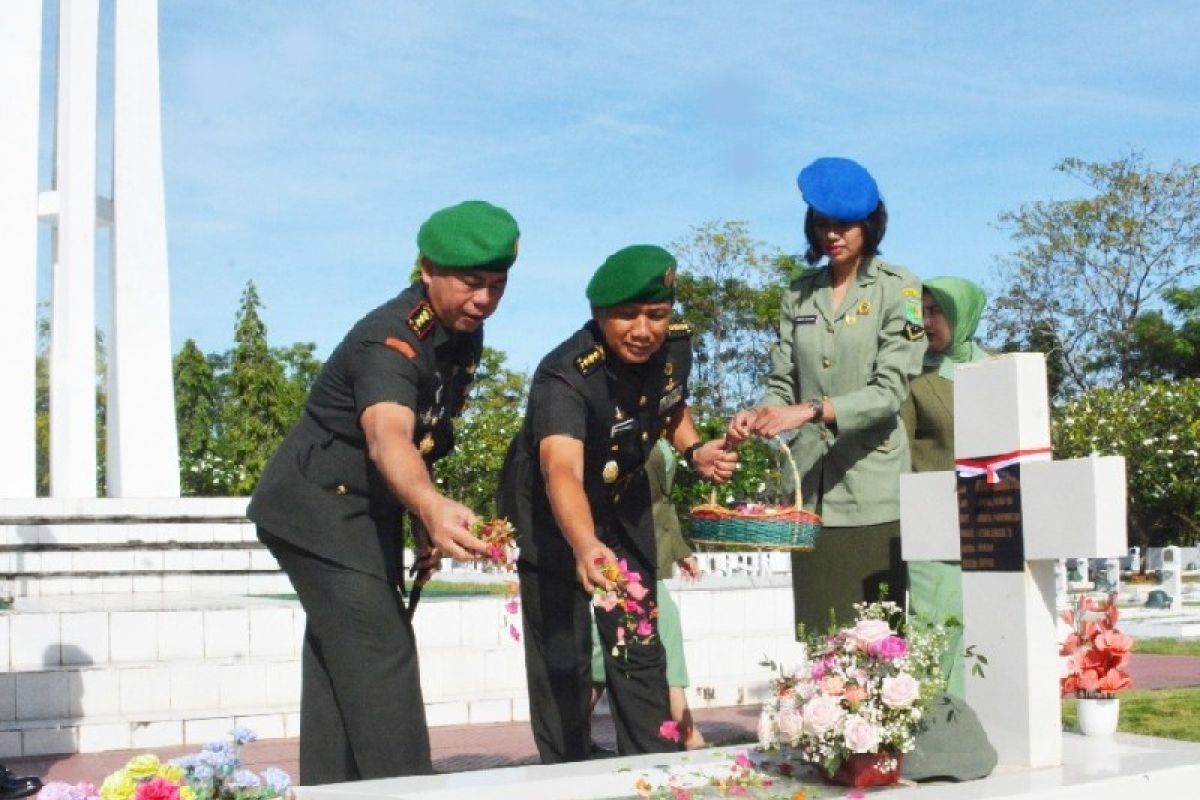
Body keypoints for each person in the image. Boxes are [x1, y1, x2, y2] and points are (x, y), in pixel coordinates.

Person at [247, 200, 520, 785]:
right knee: (381, 649)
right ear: (427, 269)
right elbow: (387, 435)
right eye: (472, 283)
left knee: (340, 655)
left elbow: (421, 441)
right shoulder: (390, 339)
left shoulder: (460, 336)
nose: (485, 300)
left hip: (360, 511)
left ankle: (333, 789)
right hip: (314, 508)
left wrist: (421, 517)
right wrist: (429, 504)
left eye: (497, 286)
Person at [497, 244, 737, 763]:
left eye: (657, 314)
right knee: (563, 658)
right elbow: (560, 470)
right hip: (552, 517)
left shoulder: (675, 347)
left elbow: (670, 405)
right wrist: (584, 545)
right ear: (598, 314)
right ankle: (566, 771)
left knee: (639, 642)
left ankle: (651, 766)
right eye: (627, 315)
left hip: (623, 506)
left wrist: (695, 451)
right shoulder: (564, 376)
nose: (644, 329)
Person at [727, 157, 926, 635]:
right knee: (819, 642)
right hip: (809, 496)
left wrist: (813, 411)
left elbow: (889, 391)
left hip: (874, 495)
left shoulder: (902, 289)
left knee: (877, 649)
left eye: (844, 225)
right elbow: (782, 382)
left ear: (869, 225)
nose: (831, 235)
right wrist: (758, 415)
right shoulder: (797, 295)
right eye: (822, 224)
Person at [900, 276, 989, 699]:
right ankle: (934, 719)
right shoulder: (914, 376)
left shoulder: (997, 370)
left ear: (963, 314)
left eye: (937, 311)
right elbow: (901, 454)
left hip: (995, 523)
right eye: (923, 310)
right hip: (935, 526)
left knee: (986, 625)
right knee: (936, 624)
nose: (927, 320)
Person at [589, 438, 707, 750]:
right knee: (651, 627)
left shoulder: (666, 421)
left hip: (648, 550)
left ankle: (570, 733)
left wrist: (680, 550)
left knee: (617, 647)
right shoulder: (621, 419)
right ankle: (686, 731)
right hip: (619, 547)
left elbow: (661, 500)